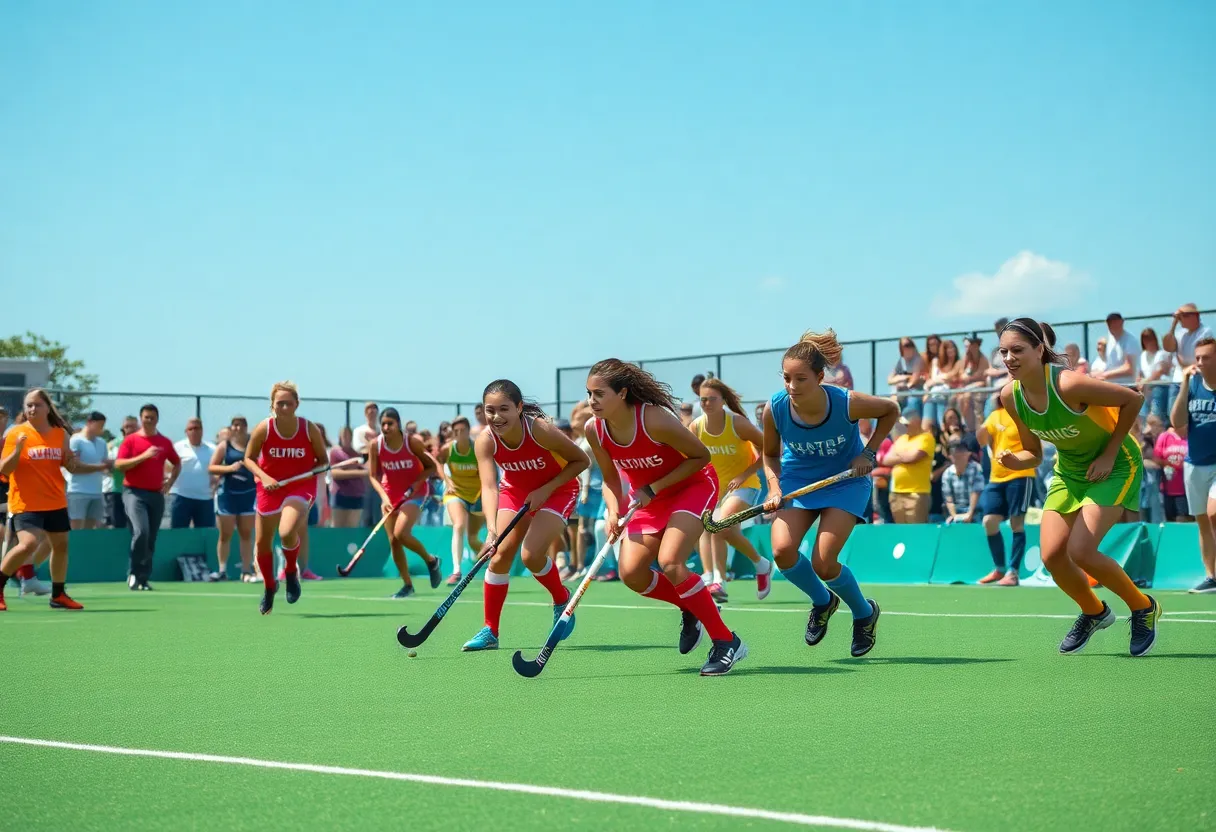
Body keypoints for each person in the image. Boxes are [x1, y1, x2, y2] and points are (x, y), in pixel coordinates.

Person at [997, 318, 1160, 656]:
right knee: (1052, 555)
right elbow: (1034, 453)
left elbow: (1133, 399)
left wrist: (1110, 452)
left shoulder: (1069, 384)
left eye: (1017, 350)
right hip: (1070, 471)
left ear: (1039, 350)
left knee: (1081, 551)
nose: (1009, 358)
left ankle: (1143, 606)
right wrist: (1015, 461)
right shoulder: (1010, 396)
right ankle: (1094, 612)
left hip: (1114, 466)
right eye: (1003, 352)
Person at [585, 360, 746, 676]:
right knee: (631, 573)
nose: (592, 401)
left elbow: (701, 457)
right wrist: (613, 511)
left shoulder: (654, 419)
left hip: (692, 486)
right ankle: (689, 604)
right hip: (649, 499)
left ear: (622, 393)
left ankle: (727, 641)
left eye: (600, 394)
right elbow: (610, 480)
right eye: (589, 394)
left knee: (671, 561)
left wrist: (655, 486)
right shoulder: (595, 429)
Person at [762, 330, 899, 657]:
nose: (792, 387)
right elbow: (769, 455)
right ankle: (823, 602)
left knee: (825, 562)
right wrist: (774, 487)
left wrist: (868, 453)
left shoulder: (845, 402)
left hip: (845, 480)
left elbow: (890, 409)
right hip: (798, 478)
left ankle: (864, 613)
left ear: (820, 377)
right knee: (782, 551)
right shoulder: (775, 408)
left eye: (801, 379)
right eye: (786, 378)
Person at [463, 380, 588, 651]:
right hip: (516, 490)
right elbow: (488, 486)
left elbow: (581, 461)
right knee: (498, 555)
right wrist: (492, 531)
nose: (496, 417)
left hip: (559, 488)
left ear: (519, 408)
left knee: (530, 556)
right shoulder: (485, 441)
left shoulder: (540, 430)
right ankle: (490, 631)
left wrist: (547, 488)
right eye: (490, 410)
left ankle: (561, 598)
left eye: (504, 409)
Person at [0, 390, 108, 611]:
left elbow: (70, 466)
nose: (32, 409)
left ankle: (58, 595)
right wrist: (18, 450)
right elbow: (4, 470)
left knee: (60, 546)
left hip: (55, 501)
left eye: (37, 405)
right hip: (26, 502)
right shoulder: (15, 434)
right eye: (28, 405)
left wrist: (71, 461)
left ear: (47, 408)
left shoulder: (60, 434)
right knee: (28, 544)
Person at [243, 382, 328, 615]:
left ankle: (291, 571)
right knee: (262, 543)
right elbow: (248, 459)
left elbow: (323, 460)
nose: (284, 408)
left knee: (287, 532)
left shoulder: (309, 429)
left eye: (288, 403)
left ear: (296, 404)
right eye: (279, 403)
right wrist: (264, 476)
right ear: (273, 405)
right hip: (269, 487)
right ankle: (270, 587)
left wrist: (320, 468)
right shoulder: (264, 428)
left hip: (300, 486)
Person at [690, 378, 774, 602]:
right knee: (715, 529)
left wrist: (744, 474)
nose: (706, 403)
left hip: (745, 486)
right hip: (714, 490)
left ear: (723, 401)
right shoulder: (696, 427)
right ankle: (760, 564)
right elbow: (690, 458)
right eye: (703, 399)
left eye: (711, 399)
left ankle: (719, 580)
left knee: (719, 525)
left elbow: (769, 449)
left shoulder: (737, 423)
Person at [368, 407, 443, 598]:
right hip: (390, 494)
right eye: (383, 424)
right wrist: (384, 498)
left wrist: (418, 482)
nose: (386, 427)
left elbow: (431, 466)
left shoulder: (412, 443)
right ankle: (407, 584)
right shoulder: (375, 445)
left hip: (414, 493)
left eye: (390, 424)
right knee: (393, 541)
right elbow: (373, 476)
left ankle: (431, 561)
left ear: (398, 424)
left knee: (401, 533)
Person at [114, 404, 181, 590]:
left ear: (157, 419)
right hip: (133, 493)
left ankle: (143, 578)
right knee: (141, 532)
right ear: (141, 418)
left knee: (150, 537)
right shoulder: (131, 440)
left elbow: (177, 463)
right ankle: (133, 573)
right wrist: (144, 456)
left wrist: (170, 483)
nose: (149, 420)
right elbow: (119, 465)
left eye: (152, 417)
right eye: (146, 417)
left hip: (156, 495)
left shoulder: (164, 442)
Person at [975, 395, 1037, 586]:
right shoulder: (995, 415)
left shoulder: (1026, 414)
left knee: (1016, 524)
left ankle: (1013, 572)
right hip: (996, 477)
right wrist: (979, 416)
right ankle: (999, 569)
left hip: (1021, 475)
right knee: (989, 521)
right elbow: (982, 439)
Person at [1171, 337, 1216, 593]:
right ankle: (1211, 577)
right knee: (1203, 522)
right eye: (1197, 357)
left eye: (1206, 357)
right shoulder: (1193, 384)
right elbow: (1177, 424)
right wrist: (1185, 384)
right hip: (1194, 464)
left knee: (1214, 514)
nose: (1199, 362)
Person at [438, 416, 486, 586]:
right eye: (455, 431)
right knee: (458, 525)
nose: (459, 434)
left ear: (468, 431)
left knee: (473, 539)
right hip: (455, 494)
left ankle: (480, 560)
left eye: (462, 431)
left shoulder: (478, 449)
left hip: (477, 495)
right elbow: (438, 462)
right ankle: (457, 571)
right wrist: (448, 481)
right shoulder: (447, 449)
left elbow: (486, 474)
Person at [209, 416, 257, 581]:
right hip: (228, 495)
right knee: (225, 534)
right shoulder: (225, 446)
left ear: (246, 427)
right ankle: (222, 570)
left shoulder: (254, 445)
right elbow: (212, 467)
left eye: (241, 425)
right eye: (235, 425)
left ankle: (246, 570)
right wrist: (229, 468)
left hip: (249, 494)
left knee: (246, 533)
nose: (238, 428)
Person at [882, 413, 936, 523]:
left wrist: (898, 455)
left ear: (916, 421)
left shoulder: (926, 437)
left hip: (916, 494)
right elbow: (886, 460)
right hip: (896, 494)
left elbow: (913, 457)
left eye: (907, 424)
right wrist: (904, 456)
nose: (904, 427)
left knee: (916, 534)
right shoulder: (901, 439)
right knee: (902, 534)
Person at [169, 418, 217, 529]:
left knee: (206, 535)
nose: (194, 431)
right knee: (178, 533)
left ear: (202, 430)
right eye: (191, 429)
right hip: (181, 497)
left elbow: (219, 468)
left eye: (197, 428)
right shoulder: (178, 447)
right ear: (186, 431)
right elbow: (167, 466)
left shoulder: (212, 449)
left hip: (205, 498)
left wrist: (216, 478)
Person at [66, 411, 110, 529]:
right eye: (100, 425)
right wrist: (100, 467)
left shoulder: (102, 443)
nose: (102, 429)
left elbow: (105, 465)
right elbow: (74, 467)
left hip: (97, 492)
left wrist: (110, 466)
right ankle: (74, 548)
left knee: (89, 530)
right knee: (75, 528)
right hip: (77, 492)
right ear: (90, 423)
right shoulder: (76, 440)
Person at [1163, 303, 1213, 401]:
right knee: (1172, 412)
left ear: (1196, 316)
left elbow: (1203, 357)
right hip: (1177, 381)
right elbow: (1168, 347)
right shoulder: (1179, 333)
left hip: (1195, 379)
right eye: (1179, 317)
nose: (1181, 319)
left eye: (1184, 316)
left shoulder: (1205, 332)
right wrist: (1174, 323)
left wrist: (1186, 366)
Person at [328, 426, 368, 528]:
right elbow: (335, 474)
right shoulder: (335, 452)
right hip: (340, 494)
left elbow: (367, 471)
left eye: (349, 435)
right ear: (340, 437)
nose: (347, 438)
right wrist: (357, 472)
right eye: (344, 435)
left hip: (356, 495)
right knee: (337, 527)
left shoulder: (357, 454)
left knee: (352, 527)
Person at [103, 416, 138, 529]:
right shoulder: (113, 445)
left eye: (133, 426)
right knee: (117, 524)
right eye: (127, 426)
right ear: (122, 428)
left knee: (135, 525)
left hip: (136, 491)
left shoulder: (143, 443)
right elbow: (106, 466)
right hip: (116, 490)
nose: (130, 429)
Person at [1153, 417, 1189, 522]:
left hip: (1185, 489)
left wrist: (1183, 465)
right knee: (1170, 519)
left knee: (1182, 518)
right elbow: (1157, 458)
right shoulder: (1164, 437)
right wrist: (1170, 464)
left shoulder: (1189, 436)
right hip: (1167, 488)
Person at [942, 440, 984, 525]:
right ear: (949, 456)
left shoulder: (976, 468)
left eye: (961, 452)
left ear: (968, 454)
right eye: (954, 454)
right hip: (955, 511)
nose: (957, 456)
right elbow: (948, 499)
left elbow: (976, 493)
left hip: (975, 511)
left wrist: (969, 514)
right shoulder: (947, 473)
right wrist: (954, 516)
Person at [352, 402, 381, 526]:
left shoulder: (381, 431)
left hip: (380, 473)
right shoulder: (359, 431)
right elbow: (359, 449)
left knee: (378, 509)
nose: (372, 411)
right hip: (365, 475)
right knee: (366, 510)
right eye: (369, 409)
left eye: (374, 409)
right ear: (365, 413)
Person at [1138, 328, 1173, 420]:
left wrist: (1145, 381)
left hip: (1160, 387)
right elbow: (1140, 372)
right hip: (1146, 390)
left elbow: (1160, 371)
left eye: (1149, 339)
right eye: (1145, 340)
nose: (1147, 342)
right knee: (1143, 416)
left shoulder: (1162, 353)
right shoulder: (1142, 355)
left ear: (1155, 340)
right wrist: (1139, 381)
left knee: (1157, 415)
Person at [888, 337, 927, 416]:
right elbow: (890, 380)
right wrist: (903, 377)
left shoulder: (918, 359)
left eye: (909, 345)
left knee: (912, 402)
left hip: (915, 391)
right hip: (900, 391)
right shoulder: (901, 361)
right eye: (905, 346)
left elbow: (914, 380)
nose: (908, 348)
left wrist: (904, 381)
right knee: (891, 403)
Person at [1098, 313, 1139, 386]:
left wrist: (1104, 375)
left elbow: (1129, 368)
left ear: (1122, 322)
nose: (1112, 325)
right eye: (1109, 322)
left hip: (1127, 387)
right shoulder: (1110, 340)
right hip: (1111, 386)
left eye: (1115, 322)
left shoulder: (1130, 341)